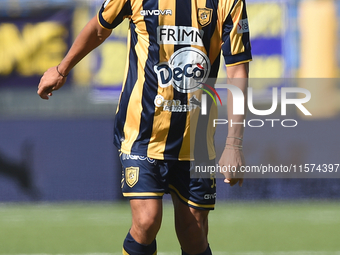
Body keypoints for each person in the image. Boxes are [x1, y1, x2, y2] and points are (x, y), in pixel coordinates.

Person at [38, 0, 251, 254]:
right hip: (142, 131)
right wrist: (62, 70)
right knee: (147, 220)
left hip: (195, 138)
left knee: (194, 233)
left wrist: (234, 144)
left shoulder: (229, 2)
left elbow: (237, 71)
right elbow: (98, 28)